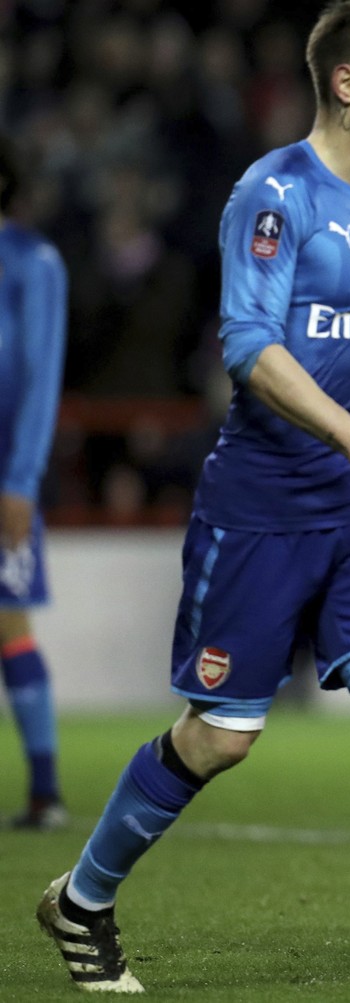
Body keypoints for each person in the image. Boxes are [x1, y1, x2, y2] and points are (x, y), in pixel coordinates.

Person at [35, 4, 350, 998]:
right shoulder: (273, 193)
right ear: (349, 84)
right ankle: (82, 896)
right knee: (220, 736)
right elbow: (250, 350)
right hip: (259, 512)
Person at [0, 138, 69, 831]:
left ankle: (45, 789)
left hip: (2, 476)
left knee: (8, 618)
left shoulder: (31, 262)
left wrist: (20, 478)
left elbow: (40, 376)